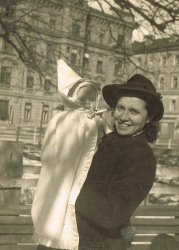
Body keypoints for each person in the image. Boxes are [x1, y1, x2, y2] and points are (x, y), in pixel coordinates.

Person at [75, 74, 164, 250]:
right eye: (120, 108)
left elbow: (111, 214)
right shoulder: (109, 141)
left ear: (148, 118)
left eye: (134, 111)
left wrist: (69, 186)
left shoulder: (142, 157)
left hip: (100, 245)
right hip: (74, 237)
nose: (123, 117)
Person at [31, 59, 108, 250]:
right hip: (61, 172)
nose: (89, 104)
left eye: (92, 99)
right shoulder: (63, 120)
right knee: (56, 202)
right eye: (83, 100)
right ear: (71, 99)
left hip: (82, 180)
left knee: (65, 205)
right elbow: (52, 150)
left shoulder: (94, 120)